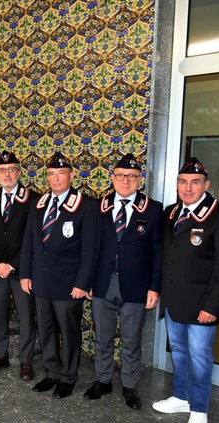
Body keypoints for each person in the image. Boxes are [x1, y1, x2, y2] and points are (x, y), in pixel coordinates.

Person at [152, 157, 219, 423]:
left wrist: (213, 306)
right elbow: (165, 257)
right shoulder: (170, 213)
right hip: (174, 301)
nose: (188, 188)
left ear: (206, 185)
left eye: (194, 182)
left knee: (200, 357)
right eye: (182, 182)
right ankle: (181, 397)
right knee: (178, 351)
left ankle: (199, 409)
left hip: (202, 305)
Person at [83, 154, 164, 409]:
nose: (125, 180)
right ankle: (103, 380)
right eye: (120, 175)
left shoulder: (153, 209)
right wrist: (87, 281)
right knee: (102, 336)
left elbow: (158, 252)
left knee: (131, 340)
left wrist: (154, 287)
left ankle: (129, 386)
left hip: (136, 285)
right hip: (103, 283)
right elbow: (90, 248)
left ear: (140, 180)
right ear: (112, 178)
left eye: (131, 176)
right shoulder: (99, 206)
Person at [20, 152, 100, 398]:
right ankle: (51, 373)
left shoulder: (86, 206)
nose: (56, 178)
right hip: (41, 281)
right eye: (51, 174)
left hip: (69, 284)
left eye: (61, 173)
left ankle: (68, 377)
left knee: (69, 331)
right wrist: (25, 274)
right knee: (46, 331)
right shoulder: (39, 204)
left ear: (71, 176)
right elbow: (29, 243)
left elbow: (91, 250)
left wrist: (82, 283)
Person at [0, 150, 38, 379]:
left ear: (19, 172)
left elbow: (32, 237)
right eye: (2, 170)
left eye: (11, 169)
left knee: (26, 316)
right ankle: (0, 356)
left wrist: (12, 264)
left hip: (21, 270)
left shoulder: (33, 199)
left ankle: (26, 361)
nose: (7, 174)